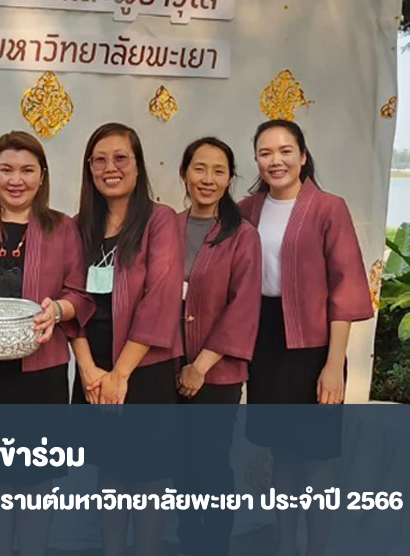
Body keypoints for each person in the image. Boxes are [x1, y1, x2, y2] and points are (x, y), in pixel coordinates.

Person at [0, 130, 91, 556]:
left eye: (27, 170)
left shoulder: (62, 228)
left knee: (37, 479)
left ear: (42, 176)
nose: (16, 179)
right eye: (6, 169)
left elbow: (79, 293)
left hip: (41, 372)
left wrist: (58, 311)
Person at [239, 119, 373, 556]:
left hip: (315, 345)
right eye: (265, 152)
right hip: (265, 339)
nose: (275, 161)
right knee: (282, 452)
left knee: (316, 457)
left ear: (302, 154)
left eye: (285, 150)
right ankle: (284, 543)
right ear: (256, 158)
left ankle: (316, 547)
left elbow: (347, 286)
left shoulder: (328, 207)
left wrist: (334, 365)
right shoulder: (248, 210)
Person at [69, 122, 183, 556]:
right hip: (94, 368)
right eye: (99, 160)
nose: (109, 168)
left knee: (148, 476)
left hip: (143, 368)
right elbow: (69, 296)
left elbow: (160, 298)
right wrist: (89, 370)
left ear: (138, 166)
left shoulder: (160, 220)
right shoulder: (79, 225)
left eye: (121, 158)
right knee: (110, 471)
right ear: (88, 169)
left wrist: (121, 373)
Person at [174, 137, 262, 556]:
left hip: (217, 374)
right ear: (184, 174)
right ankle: (189, 541)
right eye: (199, 168)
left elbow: (242, 308)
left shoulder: (242, 235)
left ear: (230, 180)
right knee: (179, 465)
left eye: (219, 171)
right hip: (168, 367)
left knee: (210, 465)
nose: (207, 179)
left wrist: (200, 367)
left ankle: (214, 544)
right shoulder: (166, 227)